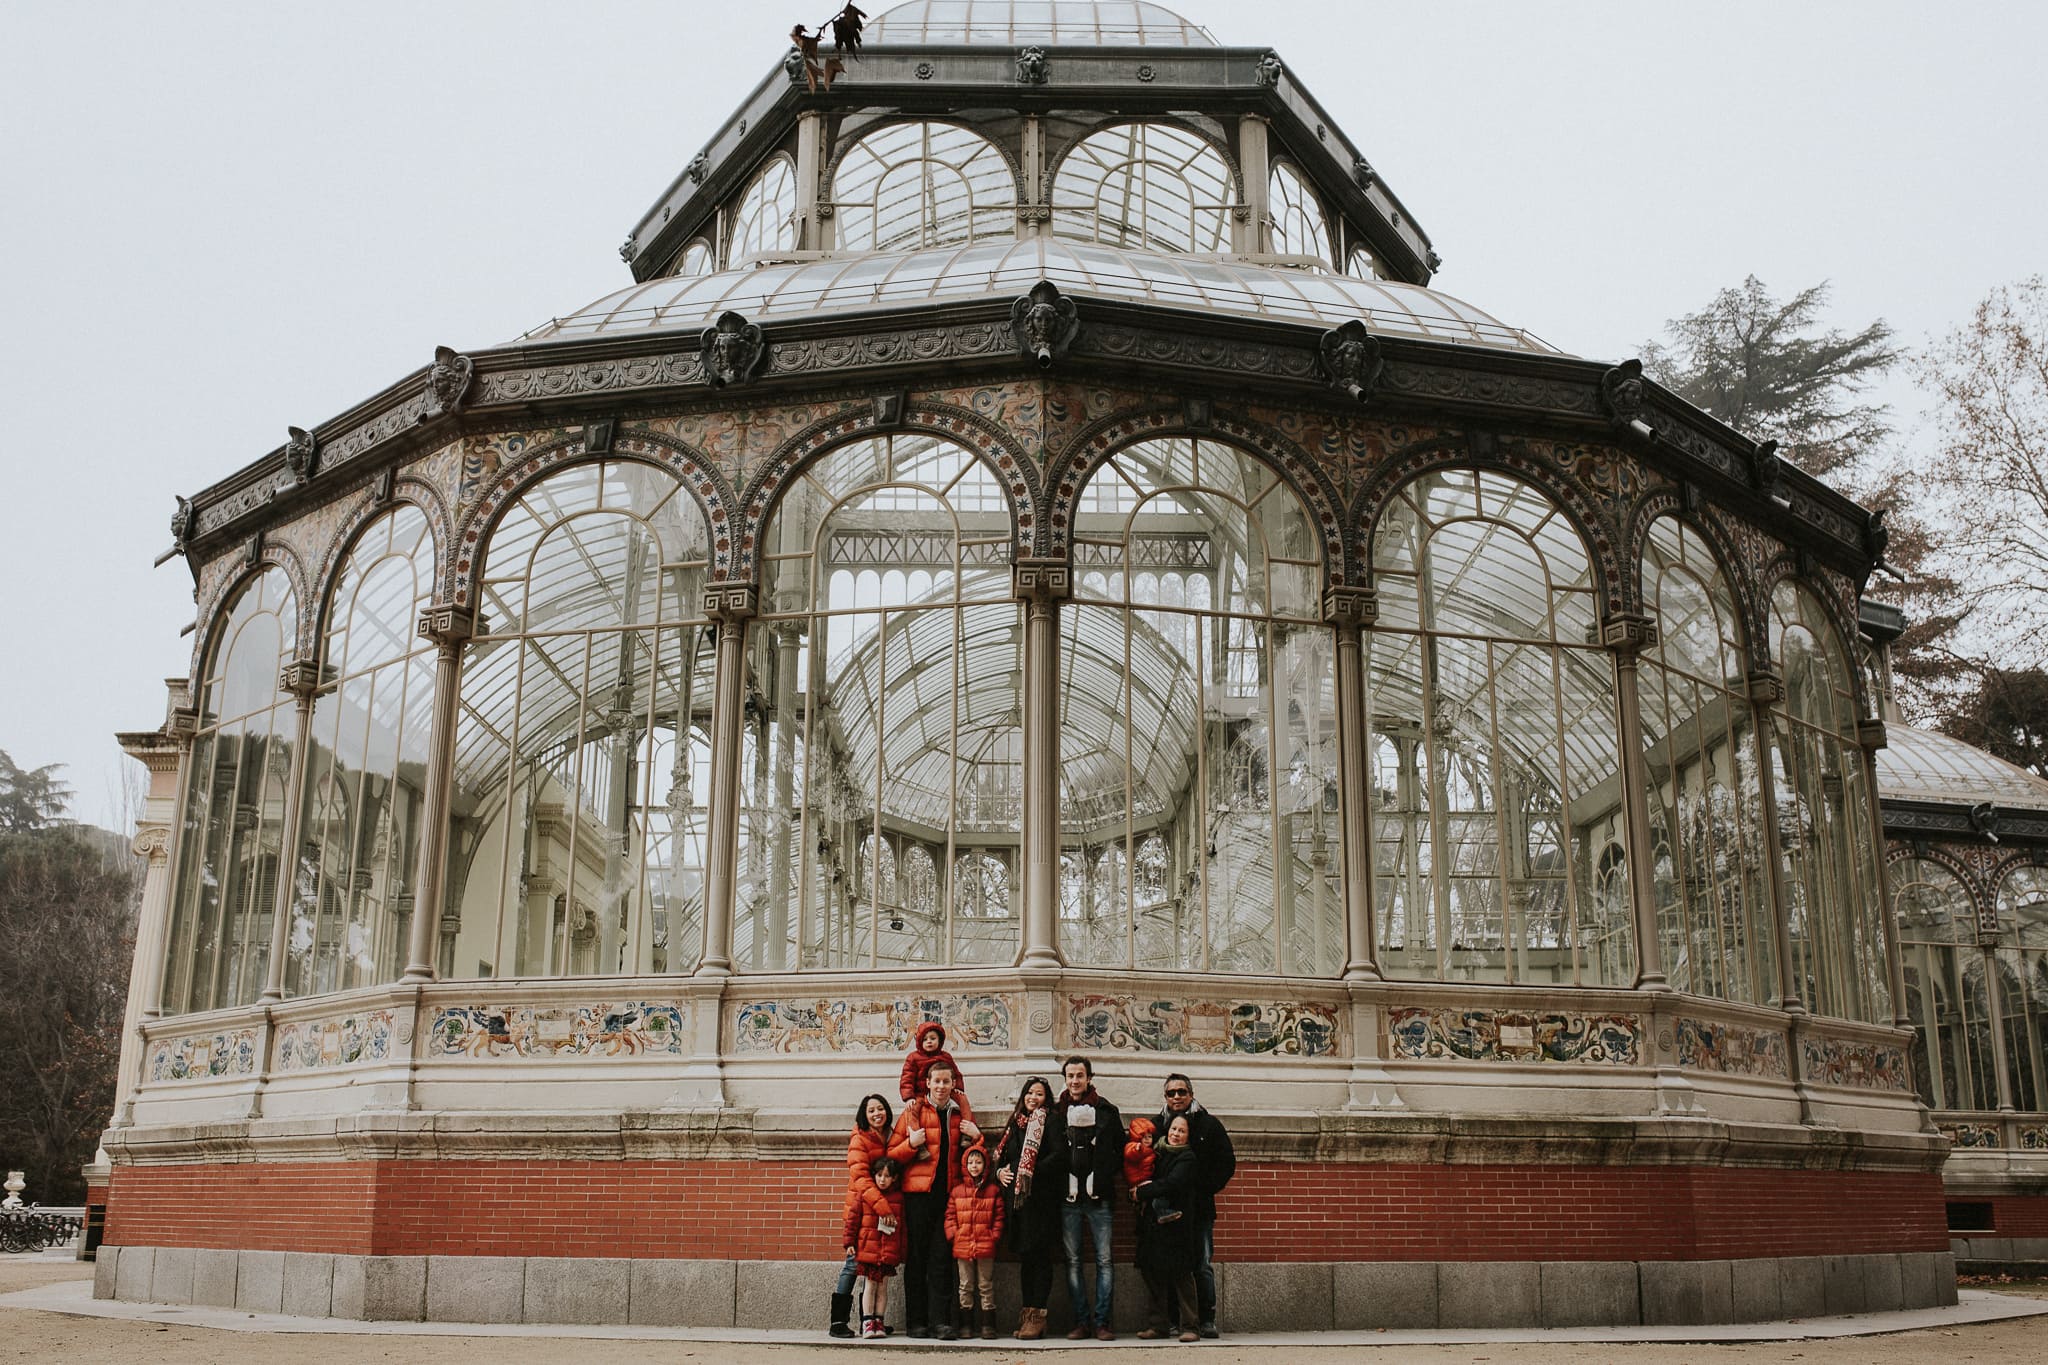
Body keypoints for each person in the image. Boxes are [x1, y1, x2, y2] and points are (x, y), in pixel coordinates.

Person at [890, 1058, 970, 1338]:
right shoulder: (913, 1111)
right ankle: (916, 1322)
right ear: (927, 1084)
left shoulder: (960, 1114)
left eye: (946, 1081)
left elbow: (973, 1155)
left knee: (941, 1258)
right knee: (917, 1258)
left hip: (947, 1196)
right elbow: (892, 1154)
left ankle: (941, 1322)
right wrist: (911, 1145)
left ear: (953, 1084)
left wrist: (978, 1136)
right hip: (918, 1197)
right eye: (937, 1081)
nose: (941, 1086)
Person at [1154, 1072, 1235, 1338]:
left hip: (1199, 1209)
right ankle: (1175, 1320)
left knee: (1201, 1264)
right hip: (1168, 1212)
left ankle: (1207, 1319)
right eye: (1171, 1093)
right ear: (1165, 1096)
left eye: (1181, 1092)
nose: (1176, 1097)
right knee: (1171, 1264)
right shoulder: (1157, 1125)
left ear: (1191, 1094)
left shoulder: (1209, 1125)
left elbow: (1226, 1163)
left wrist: (1202, 1189)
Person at [1055, 1055, 1123, 1340]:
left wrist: (1103, 1177)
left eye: (1079, 1075)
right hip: (1067, 1198)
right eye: (1070, 1076)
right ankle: (1081, 1321)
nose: (1074, 1081)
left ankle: (1102, 1322)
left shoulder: (1107, 1110)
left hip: (1100, 1197)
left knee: (1104, 1260)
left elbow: (1119, 1150)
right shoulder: (1056, 1112)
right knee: (1073, 1261)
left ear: (1089, 1078)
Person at [994, 1075, 1066, 1340]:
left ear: (1046, 1098)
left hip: (1041, 1203)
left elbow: (1059, 1156)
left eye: (1039, 1094)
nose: (1033, 1098)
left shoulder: (1051, 1121)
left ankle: (1039, 1315)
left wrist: (1032, 1173)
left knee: (1040, 1259)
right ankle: (1027, 1314)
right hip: (1019, 1206)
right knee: (1026, 1260)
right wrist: (999, 1173)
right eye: (1029, 1093)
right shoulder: (1015, 1124)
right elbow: (1000, 1158)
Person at [829, 1093, 893, 1337]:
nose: (877, 1114)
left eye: (880, 1109)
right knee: (853, 1265)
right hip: (861, 1210)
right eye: (871, 1111)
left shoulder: (887, 1136)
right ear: (864, 1116)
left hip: (877, 1213)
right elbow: (862, 1180)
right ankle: (838, 1322)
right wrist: (883, 1207)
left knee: (874, 1266)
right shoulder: (859, 1139)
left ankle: (869, 1320)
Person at [1134, 1115, 1201, 1342]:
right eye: (1173, 1129)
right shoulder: (1158, 1152)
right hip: (1154, 1224)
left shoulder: (1187, 1158)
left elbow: (1172, 1184)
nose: (1176, 1133)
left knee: (1182, 1275)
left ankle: (1191, 1326)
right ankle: (1158, 1326)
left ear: (1188, 1136)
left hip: (1178, 1224)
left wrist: (1142, 1192)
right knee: (1153, 1273)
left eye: (1181, 1131)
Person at [944, 1140, 1005, 1339]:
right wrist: (954, 1234)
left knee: (985, 1285)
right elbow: (950, 1216)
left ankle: (988, 1326)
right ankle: (966, 1325)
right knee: (965, 1285)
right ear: (965, 1165)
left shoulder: (993, 1191)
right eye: (970, 1162)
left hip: (985, 1244)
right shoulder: (957, 1191)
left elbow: (999, 1217)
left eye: (978, 1162)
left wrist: (993, 1235)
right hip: (963, 1245)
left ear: (985, 1165)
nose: (974, 1166)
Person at [846, 1156, 905, 1339]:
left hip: (887, 1251)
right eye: (879, 1175)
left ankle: (879, 1321)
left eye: (887, 1176)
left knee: (883, 1287)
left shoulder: (898, 1198)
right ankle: (867, 1321)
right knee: (870, 1286)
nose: (882, 1179)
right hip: (868, 1250)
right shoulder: (865, 1195)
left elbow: (902, 1228)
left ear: (894, 1178)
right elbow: (852, 1220)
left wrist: (901, 1251)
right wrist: (849, 1242)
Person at [900, 1021, 977, 1123]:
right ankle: (914, 1132)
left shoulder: (945, 1057)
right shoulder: (913, 1058)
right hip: (921, 1093)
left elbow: (956, 1073)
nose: (929, 1041)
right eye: (925, 1039)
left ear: (940, 1040)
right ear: (919, 1041)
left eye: (933, 1038)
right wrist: (909, 1097)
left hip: (943, 1090)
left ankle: (967, 1125)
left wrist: (958, 1087)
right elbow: (907, 1078)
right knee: (912, 1108)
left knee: (962, 1099)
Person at [1121, 1116, 1180, 1222]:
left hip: (1143, 1177)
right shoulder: (1135, 1147)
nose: (1147, 1139)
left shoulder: (1150, 1149)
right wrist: (1137, 1149)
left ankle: (1145, 1209)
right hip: (1139, 1180)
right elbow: (1130, 1153)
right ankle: (1161, 1212)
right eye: (1144, 1137)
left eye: (1149, 1136)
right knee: (1158, 1194)